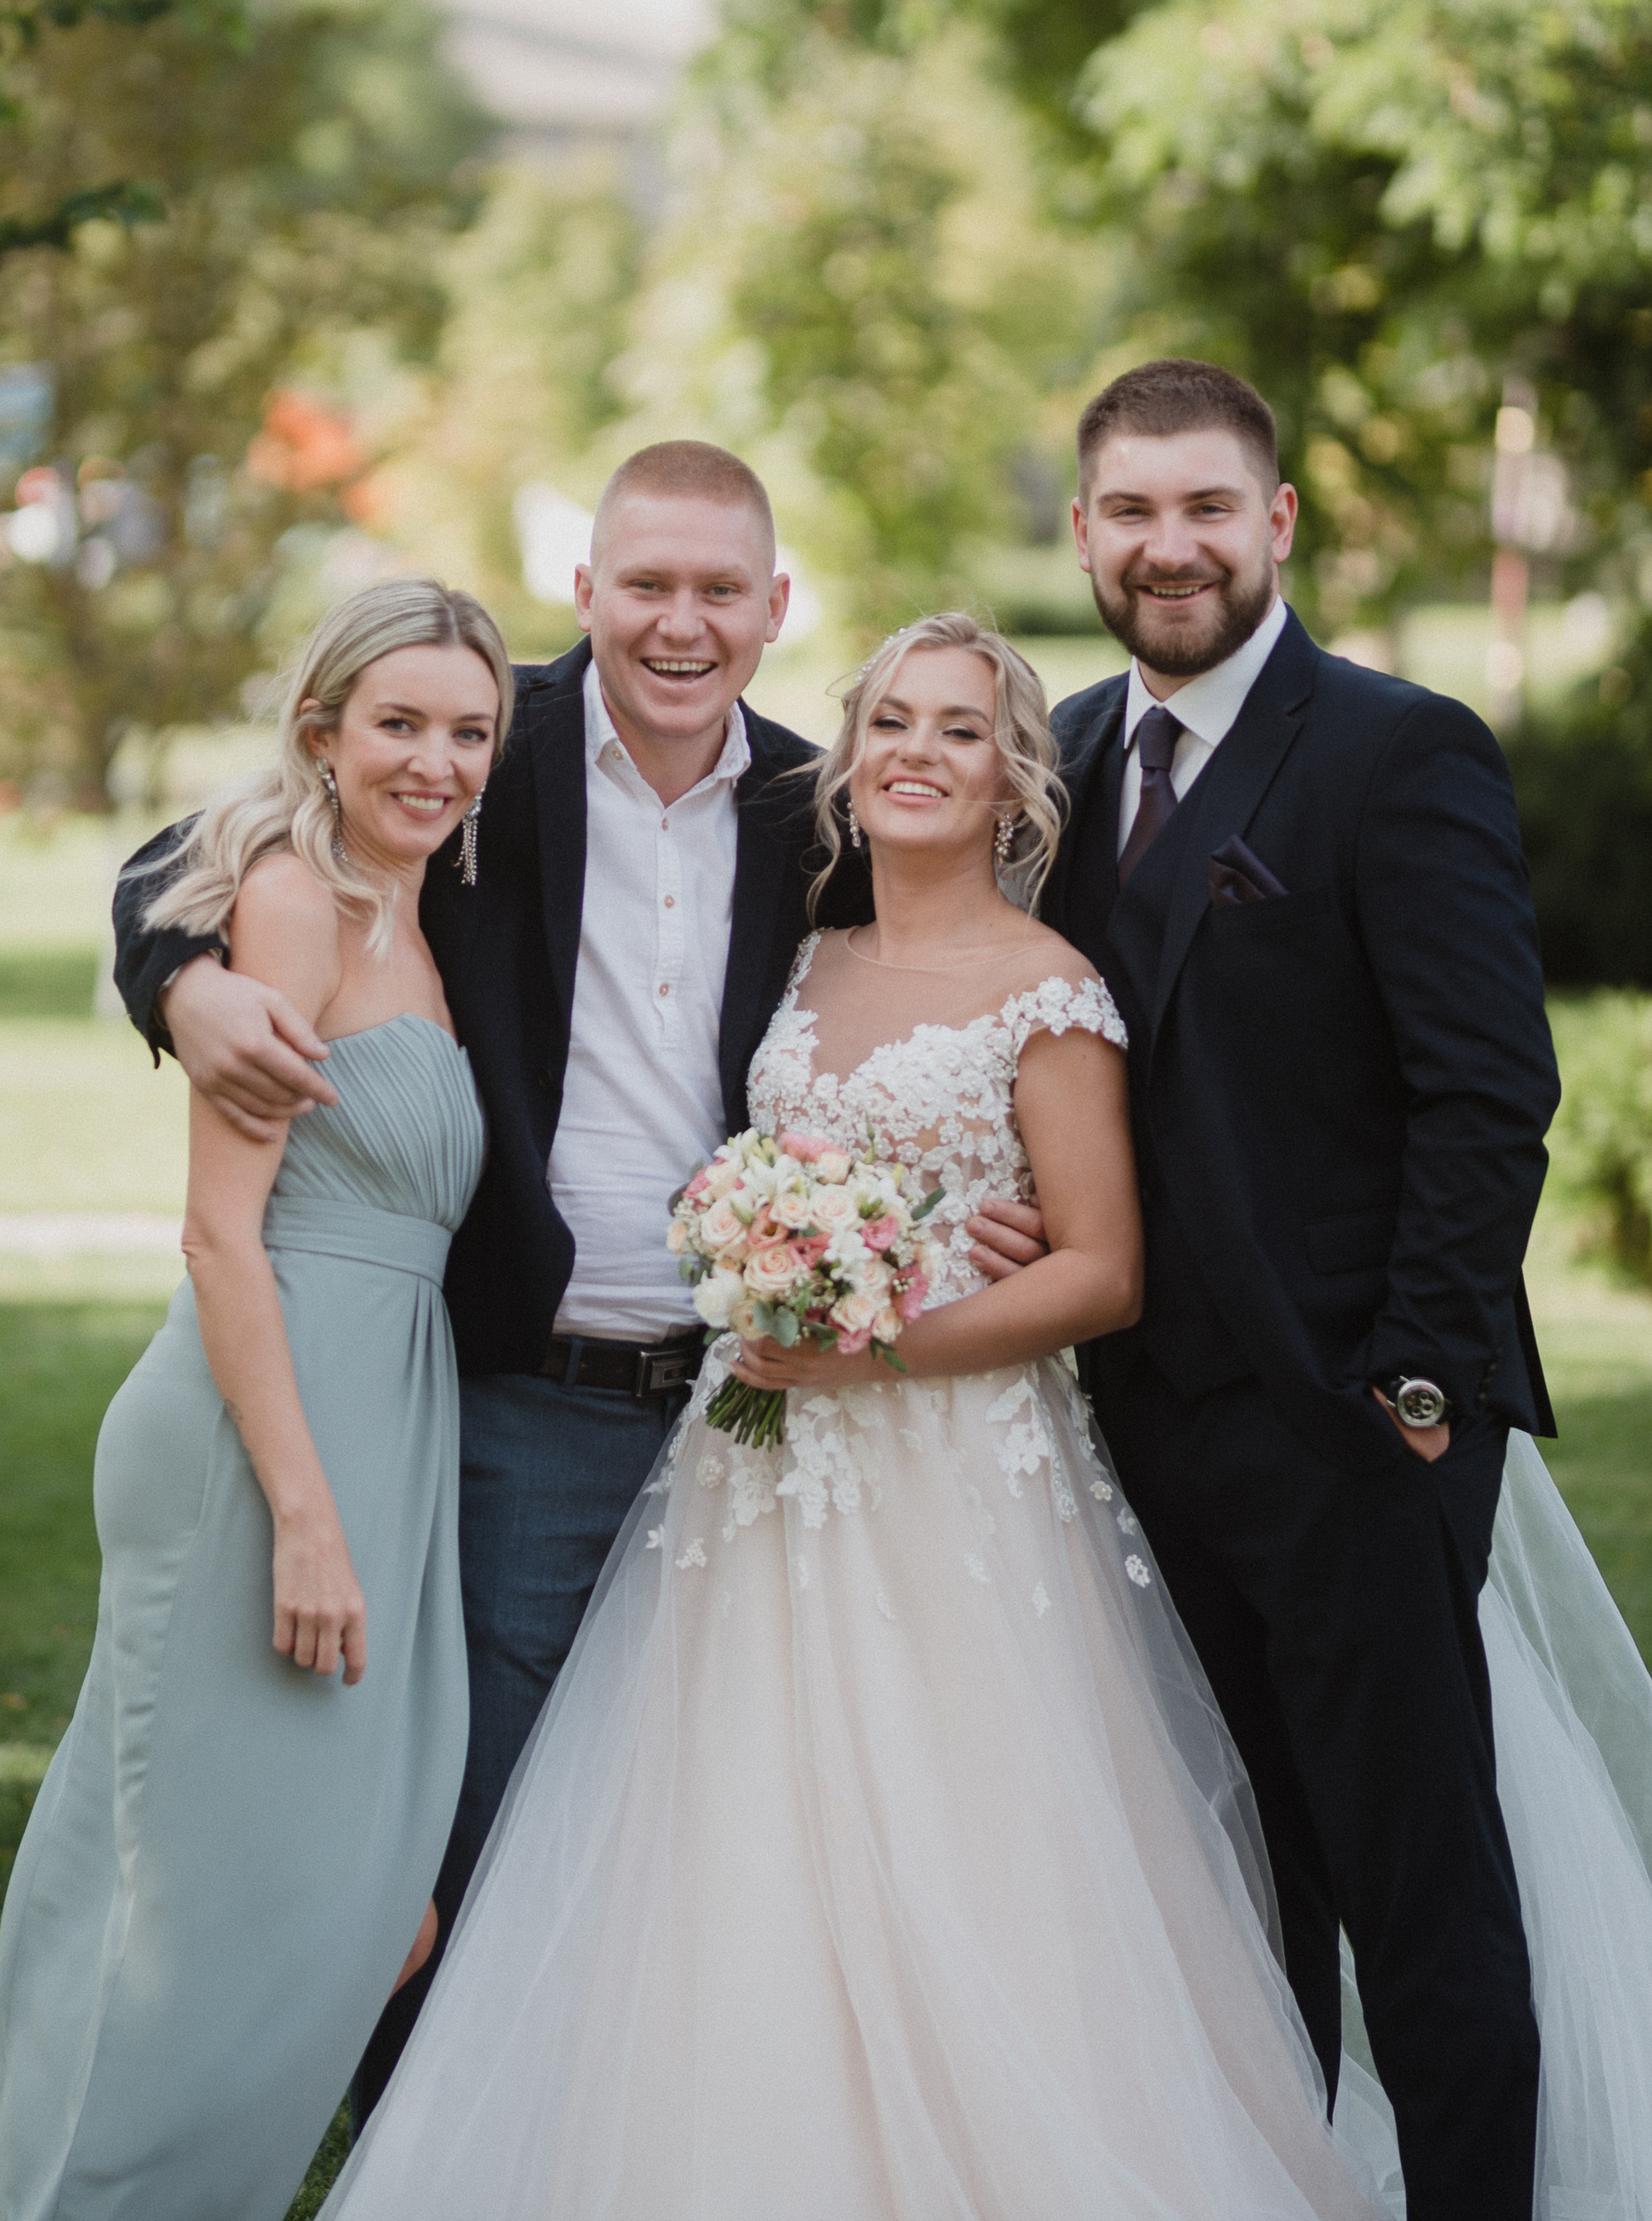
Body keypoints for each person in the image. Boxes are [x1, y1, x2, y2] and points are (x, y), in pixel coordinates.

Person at [269, 615, 1434, 2221]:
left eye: (955, 731)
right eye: (884, 719)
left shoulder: (1047, 992)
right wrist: (773, 1277)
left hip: (952, 1492)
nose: (909, 751)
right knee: (731, 1858)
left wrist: (864, 1335)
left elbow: (1099, 1270)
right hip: (753, 1490)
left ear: (1009, 778)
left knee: (967, 1858)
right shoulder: (801, 964)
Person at [1035, 355, 1652, 2221]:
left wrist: (1408, 1381)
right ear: (1083, 531)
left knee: (1417, 1882)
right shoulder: (1053, 758)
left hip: (1346, 1434)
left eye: (1204, 508)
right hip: (1113, 1438)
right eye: (1127, 513)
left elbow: (1491, 1094)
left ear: (1276, 522)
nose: (1166, 548)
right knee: (1221, 1882)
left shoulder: (1394, 753)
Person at [110, 443, 1039, 2106]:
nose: (679, 626)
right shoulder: (478, 743)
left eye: (717, 592)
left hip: (766, 1411)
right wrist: (183, 985)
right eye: (646, 586)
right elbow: (191, 853)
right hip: (527, 1393)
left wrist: (992, 1189)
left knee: (717, 1835)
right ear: (590, 593)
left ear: (774, 609)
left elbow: (953, 986)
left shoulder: (817, 805)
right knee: (470, 1829)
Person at [0, 578, 508, 2221]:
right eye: (394, 723)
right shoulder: (288, 903)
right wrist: (308, 1521)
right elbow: (219, 1237)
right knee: (232, 1927)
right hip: (270, 1443)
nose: (433, 760)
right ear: (319, 729)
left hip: (378, 1424)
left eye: (467, 732)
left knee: (289, 1910)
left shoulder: (411, 905)